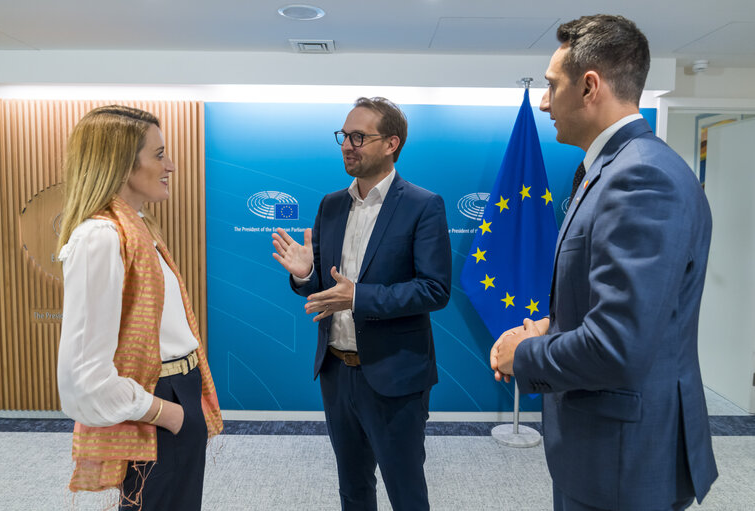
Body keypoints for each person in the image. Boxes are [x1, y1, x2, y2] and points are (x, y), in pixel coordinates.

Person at [489, 14, 718, 511]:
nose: (545, 101)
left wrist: (522, 356)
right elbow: (629, 312)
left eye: (552, 86)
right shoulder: (612, 170)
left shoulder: (639, 179)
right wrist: (552, 326)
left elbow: (618, 345)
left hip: (624, 465)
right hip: (608, 453)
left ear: (589, 86)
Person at [271, 97, 451, 510]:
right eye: (344, 136)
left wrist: (359, 296)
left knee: (406, 492)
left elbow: (434, 290)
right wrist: (303, 274)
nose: (347, 145)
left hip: (396, 376)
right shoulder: (330, 205)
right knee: (352, 489)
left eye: (358, 137)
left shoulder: (423, 205)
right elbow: (325, 289)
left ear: (391, 143)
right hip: (336, 372)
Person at [56, 105, 223, 510]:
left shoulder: (138, 228)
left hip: (178, 392)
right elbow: (83, 378)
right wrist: (166, 414)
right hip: (158, 402)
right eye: (160, 154)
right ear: (122, 165)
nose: (172, 165)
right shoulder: (101, 237)